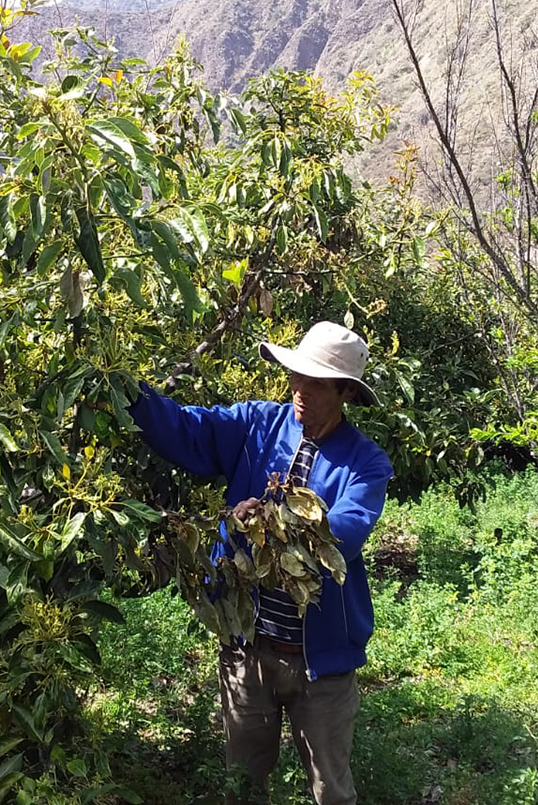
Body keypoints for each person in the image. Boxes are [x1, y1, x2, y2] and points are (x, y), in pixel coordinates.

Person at [128, 321, 393, 805]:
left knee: (331, 790)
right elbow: (190, 431)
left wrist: (265, 520)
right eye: (297, 376)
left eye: (316, 383)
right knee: (243, 787)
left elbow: (345, 533)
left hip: (322, 662)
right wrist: (130, 393)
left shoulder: (366, 463)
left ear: (344, 393)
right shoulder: (257, 424)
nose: (300, 390)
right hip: (248, 650)